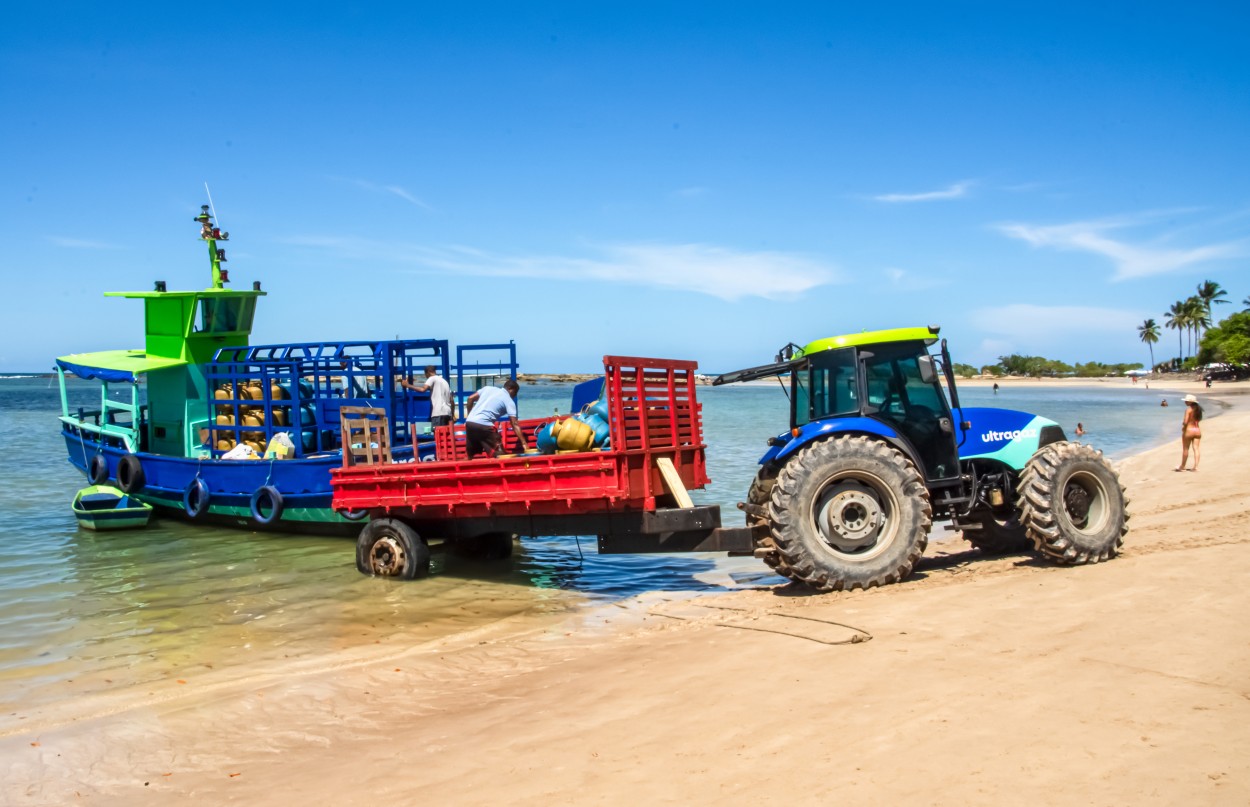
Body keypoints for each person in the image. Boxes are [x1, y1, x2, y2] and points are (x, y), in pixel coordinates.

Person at [463, 378, 528, 458]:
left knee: (470, 454)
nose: (515, 396)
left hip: (470, 424)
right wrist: (524, 443)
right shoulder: (508, 400)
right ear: (510, 389)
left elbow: (470, 399)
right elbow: (514, 423)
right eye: (515, 392)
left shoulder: (488, 389)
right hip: (485, 426)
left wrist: (470, 417)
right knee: (500, 452)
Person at [1176, 393, 1203, 472]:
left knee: (1185, 449)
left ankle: (1182, 466)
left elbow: (1185, 422)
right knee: (1196, 449)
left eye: (1187, 401)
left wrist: (1183, 428)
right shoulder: (1199, 410)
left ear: (1191, 402)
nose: (1185, 402)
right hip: (1197, 430)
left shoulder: (1188, 410)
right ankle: (1196, 467)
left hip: (1189, 430)